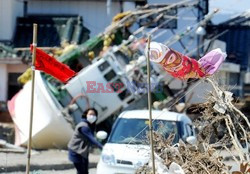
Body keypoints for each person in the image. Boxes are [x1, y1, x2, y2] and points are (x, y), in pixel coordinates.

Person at [68, 108, 103, 174]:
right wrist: (102, 147)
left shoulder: (91, 125)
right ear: (86, 115)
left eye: (94, 114)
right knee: (81, 171)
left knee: (85, 171)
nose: (92, 116)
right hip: (75, 151)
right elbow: (91, 139)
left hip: (83, 152)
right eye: (90, 114)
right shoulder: (83, 126)